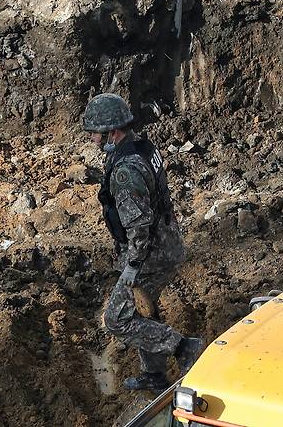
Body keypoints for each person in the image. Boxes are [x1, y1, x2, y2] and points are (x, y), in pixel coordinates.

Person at [83, 93, 202, 392]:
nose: (93, 139)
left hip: (151, 253)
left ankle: (183, 347)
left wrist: (132, 267)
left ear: (113, 131)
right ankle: (154, 375)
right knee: (142, 310)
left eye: (96, 133)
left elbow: (138, 225)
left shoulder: (125, 171)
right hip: (165, 243)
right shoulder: (141, 147)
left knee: (118, 318)